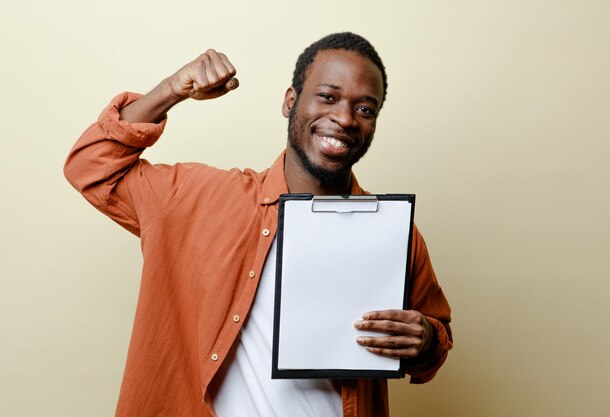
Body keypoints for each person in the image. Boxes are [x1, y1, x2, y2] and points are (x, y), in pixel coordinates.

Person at [64, 32, 452, 417]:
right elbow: (91, 166)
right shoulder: (199, 198)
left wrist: (427, 339)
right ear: (290, 101)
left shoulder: (392, 231)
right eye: (328, 97)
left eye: (365, 109)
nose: (345, 118)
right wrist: (171, 90)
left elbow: (434, 342)